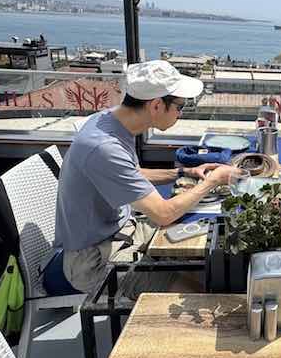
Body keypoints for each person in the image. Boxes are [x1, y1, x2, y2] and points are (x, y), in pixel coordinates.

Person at [45, 60, 237, 297]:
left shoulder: (109, 121)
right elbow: (163, 214)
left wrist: (183, 172)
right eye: (180, 106)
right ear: (156, 105)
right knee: (197, 294)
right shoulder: (105, 147)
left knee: (204, 244)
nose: (181, 112)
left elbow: (130, 174)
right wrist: (212, 182)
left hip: (122, 230)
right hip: (91, 260)